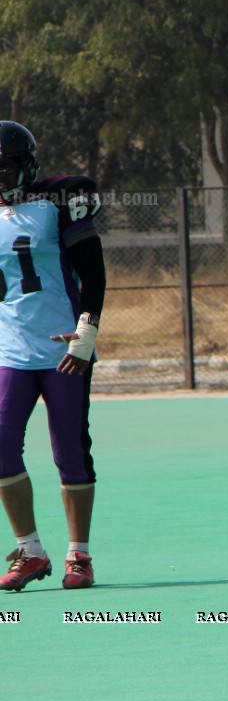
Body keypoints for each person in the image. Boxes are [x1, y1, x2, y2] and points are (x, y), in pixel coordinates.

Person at [0, 121, 105, 591]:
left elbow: (92, 270)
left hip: (63, 350)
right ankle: (31, 550)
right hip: (12, 351)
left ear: (26, 165)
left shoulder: (58, 202)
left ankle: (78, 556)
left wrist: (86, 331)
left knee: (70, 452)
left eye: (4, 167)